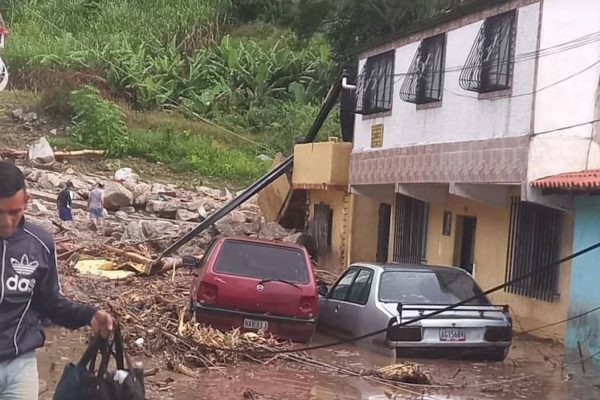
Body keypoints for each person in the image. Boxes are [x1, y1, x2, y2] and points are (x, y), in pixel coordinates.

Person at [0, 162, 113, 400]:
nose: (7, 222)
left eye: (14, 212)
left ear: (27, 202)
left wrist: (88, 315)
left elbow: (49, 302)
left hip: (20, 364)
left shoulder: (39, 244)